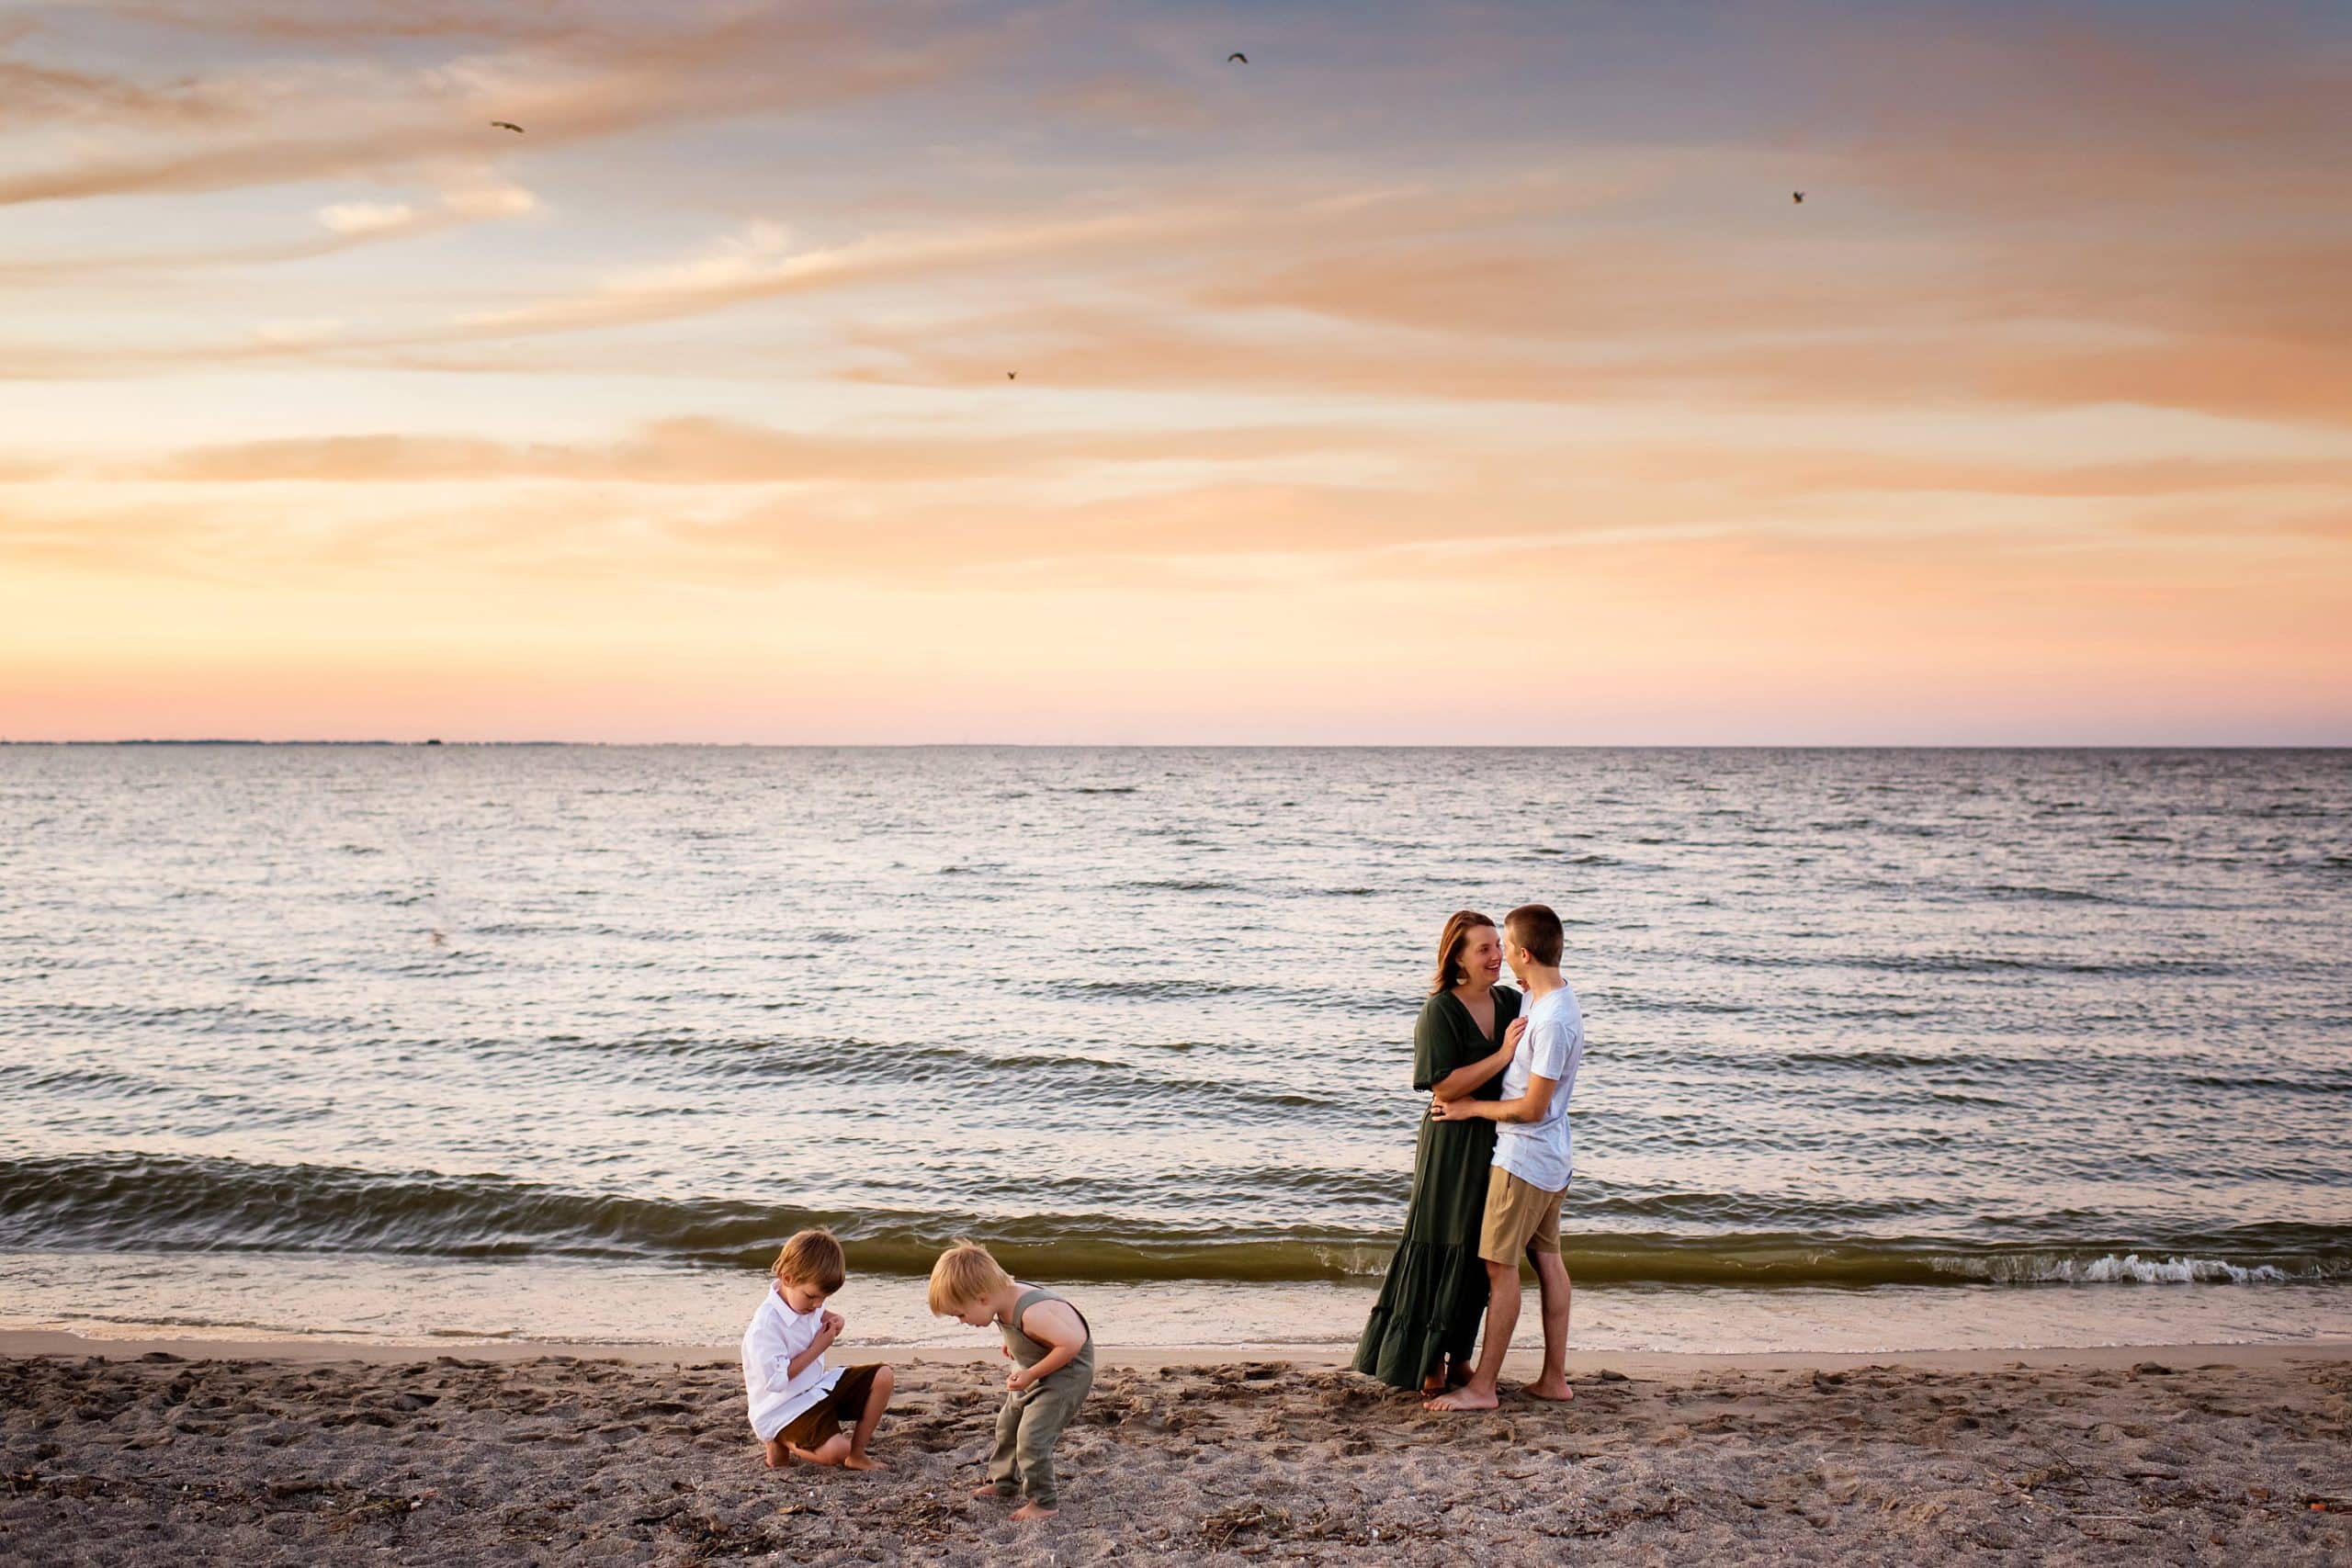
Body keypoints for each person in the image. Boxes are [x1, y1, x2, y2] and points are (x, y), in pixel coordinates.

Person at [1353, 909, 1526, 1393]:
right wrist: (1501, 1056)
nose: (1496, 956)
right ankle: (1426, 1360)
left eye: (1499, 946)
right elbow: (1444, 1089)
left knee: (1477, 1250)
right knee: (1438, 1240)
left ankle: (1458, 1357)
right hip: (1450, 1142)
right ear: (1458, 959)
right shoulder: (1440, 1011)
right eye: (1484, 948)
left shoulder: (1512, 1002)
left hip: (1497, 1139)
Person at [1424, 902, 1583, 1412]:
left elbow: (1535, 1107)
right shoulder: (1541, 1000)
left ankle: (1483, 1386)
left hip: (1525, 1159)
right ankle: (1553, 1380)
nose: (1502, 958)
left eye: (1506, 948)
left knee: (1499, 1267)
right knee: (1548, 1261)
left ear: (1526, 952)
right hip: (1550, 1158)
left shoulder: (1551, 1018)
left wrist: (1471, 1107)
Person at [929, 1239, 1095, 1520]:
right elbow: (1017, 1328)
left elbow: (1073, 1343)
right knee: (1008, 1425)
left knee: (1032, 1438)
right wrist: (1014, 1343)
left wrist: (1031, 1372)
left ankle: (1044, 1502)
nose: (961, 1321)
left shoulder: (1032, 1313)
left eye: (960, 1314)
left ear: (982, 1299)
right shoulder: (999, 1298)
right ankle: (1005, 1483)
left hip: (1068, 1373)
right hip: (1037, 1365)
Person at [741, 1228, 894, 1470]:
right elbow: (777, 1379)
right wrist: (818, 1347)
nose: (818, 1304)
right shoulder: (766, 1326)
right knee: (837, 1451)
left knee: (883, 1375)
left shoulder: (802, 1301)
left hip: (816, 1388)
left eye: (824, 1298)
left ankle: (858, 1455)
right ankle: (777, 1440)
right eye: (812, 1297)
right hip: (783, 1409)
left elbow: (820, 1313)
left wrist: (836, 1319)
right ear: (788, 1278)